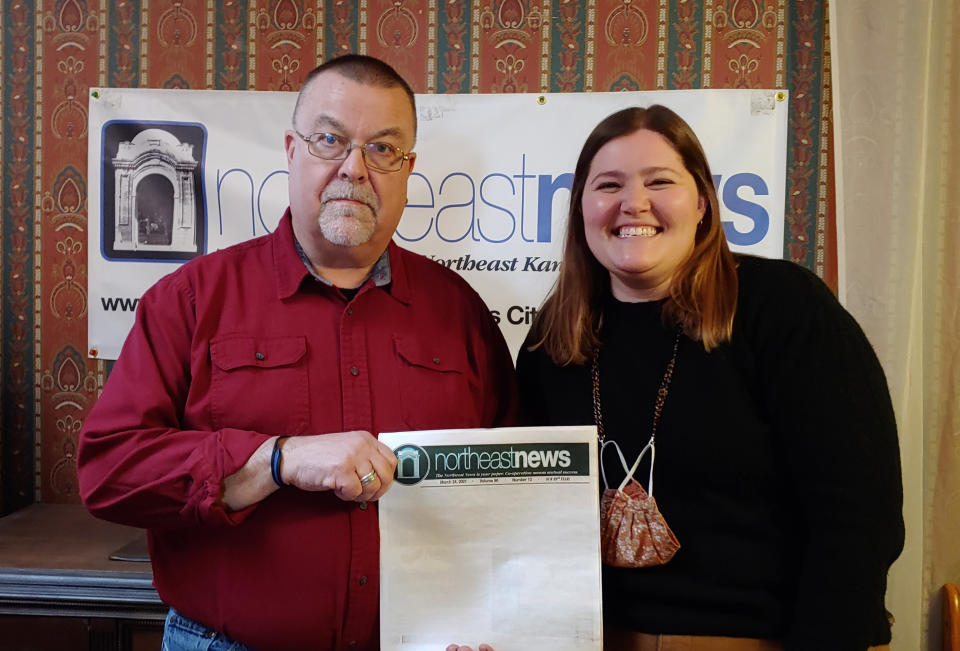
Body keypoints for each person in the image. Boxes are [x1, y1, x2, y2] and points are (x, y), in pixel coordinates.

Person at [78, 55, 518, 651]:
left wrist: (493, 618)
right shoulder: (189, 301)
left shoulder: (459, 313)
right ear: (291, 149)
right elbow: (109, 473)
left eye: (384, 149)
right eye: (331, 140)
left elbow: (509, 491)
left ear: (410, 169)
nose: (355, 169)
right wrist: (274, 460)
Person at [512, 105, 904, 651]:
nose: (633, 203)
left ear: (701, 202)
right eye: (608, 184)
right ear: (581, 208)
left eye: (659, 181)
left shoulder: (784, 308)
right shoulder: (552, 338)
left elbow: (858, 514)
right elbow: (521, 514)